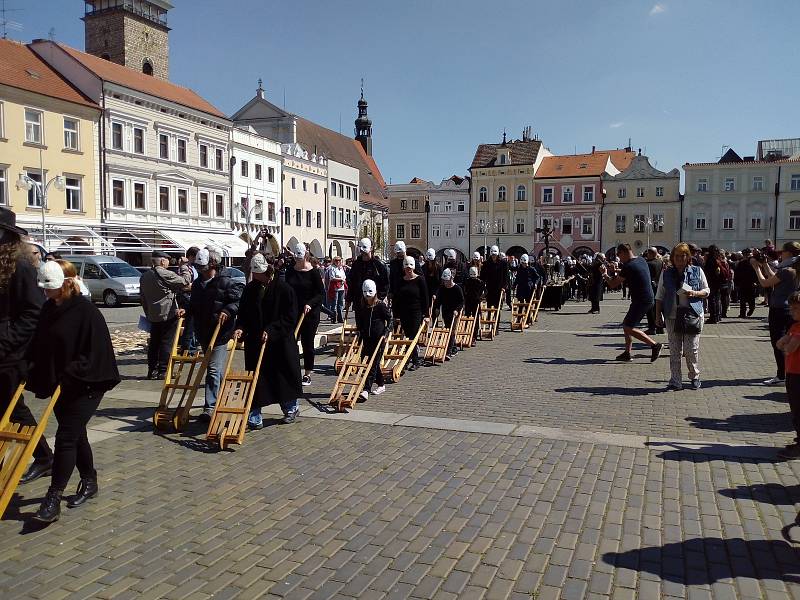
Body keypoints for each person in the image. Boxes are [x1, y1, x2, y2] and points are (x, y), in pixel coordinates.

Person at [26, 260, 120, 523]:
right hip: (61, 385)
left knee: (66, 437)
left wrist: (71, 372)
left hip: (88, 384)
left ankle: (53, 497)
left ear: (66, 284)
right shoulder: (48, 308)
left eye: (51, 288)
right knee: (77, 436)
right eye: (43, 288)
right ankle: (89, 480)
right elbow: (41, 345)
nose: (46, 293)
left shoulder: (86, 312)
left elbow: (95, 353)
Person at [0, 208, 54, 485]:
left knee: (13, 407)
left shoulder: (19, 267)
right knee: (8, 408)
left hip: (11, 354)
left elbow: (34, 312)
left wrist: (7, 341)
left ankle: (44, 457)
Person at [235, 255, 301, 428]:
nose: (254, 277)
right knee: (257, 379)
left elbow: (290, 317)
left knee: (283, 376)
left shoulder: (284, 289)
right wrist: (240, 327)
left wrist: (272, 330)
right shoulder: (250, 289)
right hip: (256, 342)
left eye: (257, 273)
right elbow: (243, 313)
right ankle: (255, 414)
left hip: (279, 342)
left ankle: (290, 408)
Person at [189, 247, 243, 421]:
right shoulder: (198, 284)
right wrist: (185, 310)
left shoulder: (225, 282)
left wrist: (227, 310)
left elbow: (238, 302)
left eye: (203, 269)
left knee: (211, 369)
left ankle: (210, 407)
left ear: (212, 265)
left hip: (221, 332)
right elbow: (194, 305)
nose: (201, 272)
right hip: (203, 331)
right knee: (215, 369)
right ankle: (227, 393)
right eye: (198, 269)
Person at [655, 243, 710, 390]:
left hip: (693, 313)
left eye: (683, 255)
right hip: (672, 315)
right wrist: (657, 316)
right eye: (677, 256)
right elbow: (659, 296)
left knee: (691, 349)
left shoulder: (697, 271)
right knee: (674, 350)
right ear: (672, 257)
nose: (680, 258)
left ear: (688, 257)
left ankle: (694, 375)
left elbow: (707, 290)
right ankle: (675, 381)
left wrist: (695, 293)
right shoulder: (666, 273)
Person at [603, 243, 663, 362]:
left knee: (628, 327)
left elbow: (613, 284)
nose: (618, 257)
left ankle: (654, 345)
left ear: (623, 252)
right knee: (627, 324)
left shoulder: (628, 266)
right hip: (646, 298)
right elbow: (632, 271)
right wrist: (617, 270)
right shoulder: (640, 260)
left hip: (641, 300)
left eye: (618, 254)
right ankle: (627, 353)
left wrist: (605, 274)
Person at [752, 241, 800, 386]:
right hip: (791, 309)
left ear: (789, 253)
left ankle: (781, 375)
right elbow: (775, 278)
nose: (780, 254)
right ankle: (787, 372)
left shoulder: (786, 270)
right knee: (790, 340)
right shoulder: (792, 268)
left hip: (779, 309)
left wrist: (756, 268)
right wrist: (765, 264)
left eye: (782, 252)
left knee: (778, 342)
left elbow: (766, 283)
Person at [139, 250, 191, 379]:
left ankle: (152, 370)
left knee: (154, 343)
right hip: (167, 313)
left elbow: (143, 298)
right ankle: (163, 370)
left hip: (153, 315)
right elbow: (185, 281)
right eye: (167, 260)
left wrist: (148, 313)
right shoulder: (164, 273)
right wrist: (183, 266)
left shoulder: (144, 276)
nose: (169, 262)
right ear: (162, 261)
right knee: (167, 342)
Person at [285, 242, 324, 386]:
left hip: (310, 314)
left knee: (308, 343)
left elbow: (320, 294)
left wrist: (310, 304)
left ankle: (307, 373)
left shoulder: (313, 272)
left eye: (299, 258)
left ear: (305, 255)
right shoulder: (291, 270)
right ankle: (293, 371)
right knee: (291, 341)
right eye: (296, 258)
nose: (297, 260)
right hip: (293, 312)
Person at [355, 279, 391, 401]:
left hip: (378, 339)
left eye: (370, 293)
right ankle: (381, 384)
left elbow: (389, 320)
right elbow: (360, 320)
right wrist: (359, 331)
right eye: (365, 294)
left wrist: (385, 332)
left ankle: (366, 389)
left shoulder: (380, 305)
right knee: (370, 363)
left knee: (373, 364)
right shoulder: (362, 306)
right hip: (366, 339)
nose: (368, 297)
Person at [392, 255, 428, 371]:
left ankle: (415, 360)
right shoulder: (401, 281)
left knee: (413, 336)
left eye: (410, 267)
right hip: (404, 312)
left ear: (413, 268)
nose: (408, 269)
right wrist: (396, 314)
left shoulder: (420, 279)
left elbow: (425, 298)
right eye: (406, 267)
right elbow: (396, 298)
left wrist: (427, 315)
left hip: (416, 311)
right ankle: (408, 359)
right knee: (407, 336)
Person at [777, 292, 800, 459]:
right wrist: (785, 343)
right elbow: (780, 342)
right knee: (795, 409)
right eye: (791, 309)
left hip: (798, 374)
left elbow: (789, 348)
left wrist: (786, 345)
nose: (792, 312)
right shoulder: (794, 326)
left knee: (799, 410)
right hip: (792, 372)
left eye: (796, 309)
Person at [345, 238, 389, 313]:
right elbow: (351, 283)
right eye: (361, 250)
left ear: (371, 248)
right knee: (361, 324)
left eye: (364, 249)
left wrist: (380, 298)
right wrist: (349, 299)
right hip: (359, 302)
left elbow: (385, 284)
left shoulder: (378, 265)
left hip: (375, 302)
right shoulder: (356, 265)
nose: (363, 252)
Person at [432, 268, 464, 358]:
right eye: (444, 281)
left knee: (451, 331)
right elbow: (439, 300)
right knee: (447, 329)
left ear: (451, 278)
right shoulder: (442, 289)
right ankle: (454, 348)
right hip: (445, 311)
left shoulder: (457, 288)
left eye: (447, 280)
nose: (445, 283)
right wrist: (437, 308)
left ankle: (448, 351)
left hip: (454, 312)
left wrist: (457, 310)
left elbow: (461, 301)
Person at [178, 246, 200, 353]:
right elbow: (183, 285)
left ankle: (192, 345)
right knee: (189, 323)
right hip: (187, 297)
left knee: (194, 323)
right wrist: (196, 286)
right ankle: (187, 347)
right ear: (191, 256)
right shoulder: (184, 268)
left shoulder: (193, 267)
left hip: (193, 296)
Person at [704, 245, 731, 324]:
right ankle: (717, 316)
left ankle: (713, 317)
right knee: (717, 299)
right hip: (718, 282)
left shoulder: (711, 260)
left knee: (712, 300)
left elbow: (709, 272)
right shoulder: (717, 260)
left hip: (712, 282)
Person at [480, 245, 508, 311]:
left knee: (497, 307)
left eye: (495, 255)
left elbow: (505, 276)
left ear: (497, 254)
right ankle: (489, 319)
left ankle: (497, 320)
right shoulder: (486, 264)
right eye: (492, 254)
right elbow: (482, 277)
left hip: (499, 288)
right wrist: (483, 287)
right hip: (490, 288)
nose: (494, 256)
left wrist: (504, 287)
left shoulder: (503, 264)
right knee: (489, 305)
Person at [463, 266, 486, 345]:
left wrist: (481, 297)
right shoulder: (467, 281)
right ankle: (467, 334)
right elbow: (464, 290)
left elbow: (485, 292)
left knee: (475, 320)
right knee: (467, 318)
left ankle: (473, 336)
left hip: (475, 303)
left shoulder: (480, 282)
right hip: (469, 302)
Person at [645, 248, 664, 335]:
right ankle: (660, 327)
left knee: (650, 309)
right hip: (660, 287)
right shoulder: (660, 262)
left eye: (648, 254)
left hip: (651, 288)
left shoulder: (648, 264)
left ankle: (652, 328)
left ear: (650, 254)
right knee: (659, 309)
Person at [735, 248, 758, 318]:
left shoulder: (751, 262)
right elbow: (737, 274)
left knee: (748, 298)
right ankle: (744, 312)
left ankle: (749, 309)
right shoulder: (741, 263)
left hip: (748, 283)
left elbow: (756, 272)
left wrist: (756, 281)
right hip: (745, 283)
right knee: (745, 299)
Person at [325, 255, 346, 323]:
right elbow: (332, 278)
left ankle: (340, 317)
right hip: (335, 287)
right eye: (336, 260)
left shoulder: (341, 268)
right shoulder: (332, 268)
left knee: (341, 303)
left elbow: (344, 276)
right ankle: (334, 318)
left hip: (341, 287)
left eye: (339, 260)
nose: (338, 262)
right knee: (335, 303)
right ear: (334, 261)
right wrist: (340, 279)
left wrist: (342, 279)